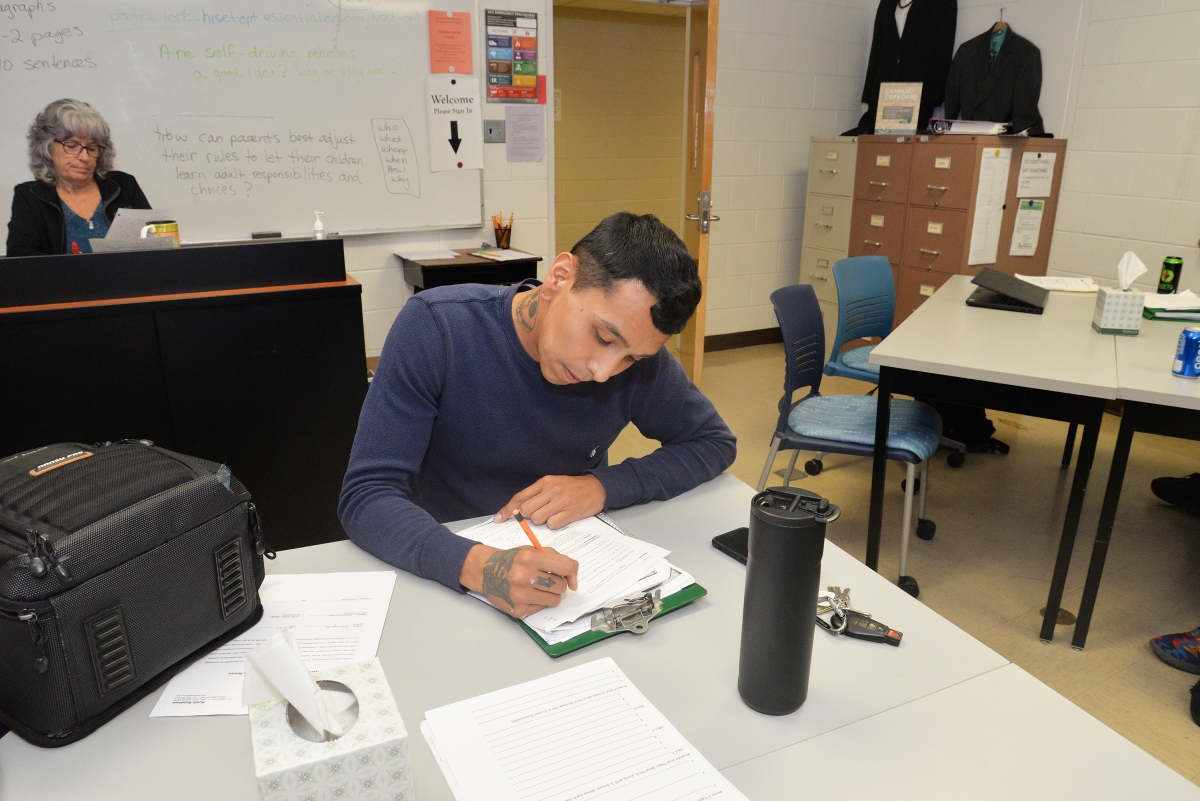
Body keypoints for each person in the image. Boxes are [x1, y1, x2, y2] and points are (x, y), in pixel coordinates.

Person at [339, 212, 736, 618]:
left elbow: (713, 443)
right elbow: (367, 496)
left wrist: (602, 486)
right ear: (560, 277)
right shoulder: (439, 327)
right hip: (444, 564)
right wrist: (482, 567)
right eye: (602, 337)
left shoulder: (640, 362)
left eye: (631, 357)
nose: (603, 372)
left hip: (575, 573)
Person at [6, 98, 150, 256]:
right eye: (72, 146)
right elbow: (20, 257)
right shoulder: (30, 196)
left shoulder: (124, 186)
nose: (85, 157)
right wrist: (70, 268)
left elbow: (153, 243)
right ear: (46, 148)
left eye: (92, 148)